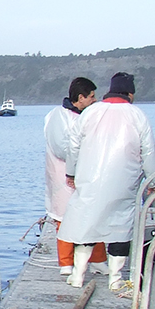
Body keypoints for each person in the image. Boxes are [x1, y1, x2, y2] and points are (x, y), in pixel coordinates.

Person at [58, 72, 155, 290]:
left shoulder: (90, 112)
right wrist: (154, 181)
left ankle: (78, 275)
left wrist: (71, 173)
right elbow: (149, 151)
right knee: (120, 228)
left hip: (90, 179)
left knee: (87, 224)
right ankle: (115, 279)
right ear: (130, 93)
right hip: (124, 181)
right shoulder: (137, 115)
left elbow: (73, 145)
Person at [44, 77, 107, 275]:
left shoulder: (87, 115)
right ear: (81, 98)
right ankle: (66, 263)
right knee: (64, 217)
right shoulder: (59, 116)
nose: (95, 100)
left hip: (86, 173)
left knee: (93, 215)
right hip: (62, 176)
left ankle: (97, 259)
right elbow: (62, 148)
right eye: (92, 97)